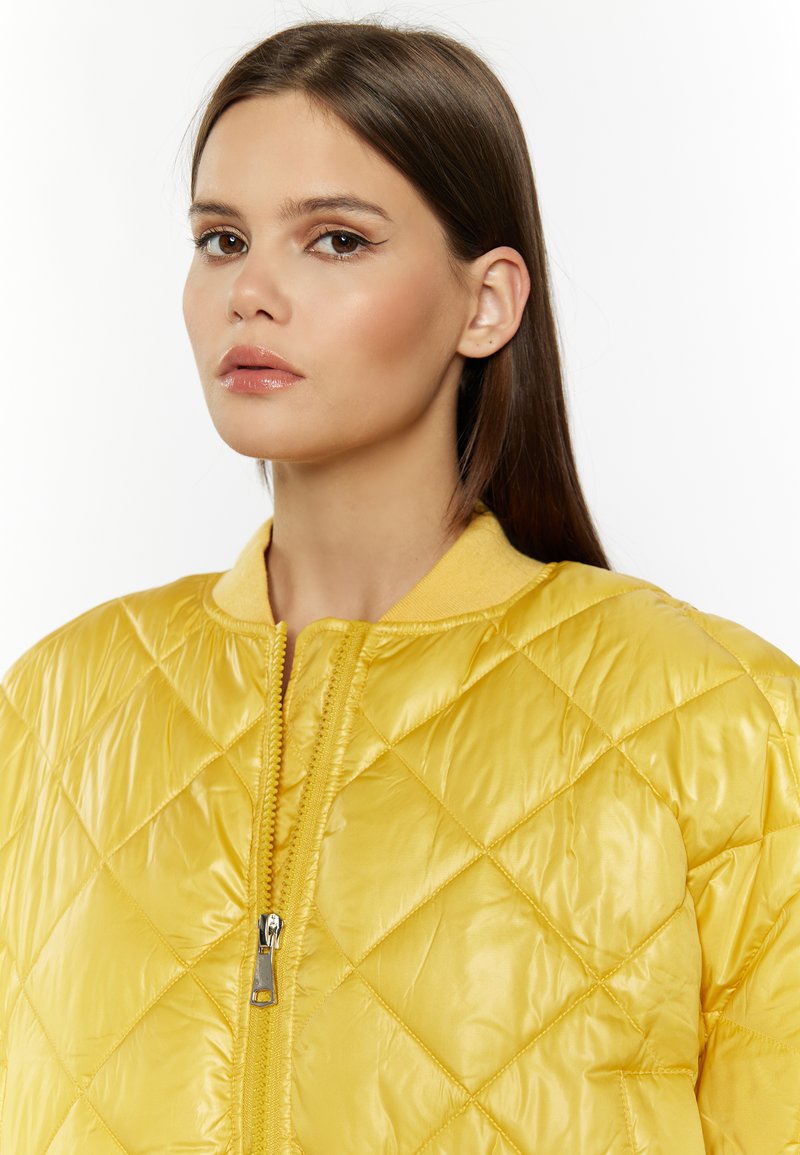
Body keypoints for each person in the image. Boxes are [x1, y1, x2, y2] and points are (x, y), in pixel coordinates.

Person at [1, 17, 798, 1154]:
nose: (250, 291)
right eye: (221, 239)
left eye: (335, 240)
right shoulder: (55, 709)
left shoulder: (715, 717)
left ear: (487, 303)